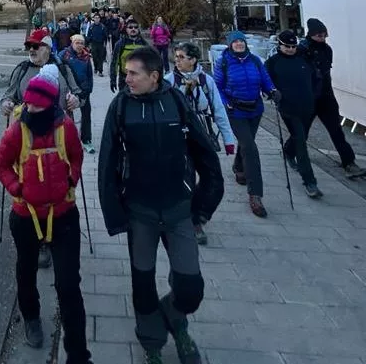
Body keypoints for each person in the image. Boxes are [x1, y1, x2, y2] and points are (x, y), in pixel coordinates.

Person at [98, 47, 224, 364]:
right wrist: (114, 213)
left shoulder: (176, 102)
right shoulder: (120, 106)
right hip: (140, 210)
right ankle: (153, 342)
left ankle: (173, 316)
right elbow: (107, 162)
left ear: (154, 76)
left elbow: (204, 152)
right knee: (143, 283)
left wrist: (204, 204)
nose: (126, 78)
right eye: (125, 72)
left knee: (190, 287)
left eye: (132, 73)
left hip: (178, 207)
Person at [0, 65, 93, 364]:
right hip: (25, 215)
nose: (31, 107)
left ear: (51, 104)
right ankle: (32, 317)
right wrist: (16, 188)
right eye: (29, 102)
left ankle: (77, 353)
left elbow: (76, 155)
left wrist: (72, 179)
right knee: (26, 271)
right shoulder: (17, 130)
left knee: (68, 284)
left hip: (63, 214)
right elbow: (0, 164)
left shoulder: (66, 129)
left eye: (38, 103)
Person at [1, 28, 82, 268]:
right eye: (29, 47)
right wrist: (6, 103)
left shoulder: (64, 69)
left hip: (57, 140)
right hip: (27, 141)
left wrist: (76, 100)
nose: (32, 51)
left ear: (47, 48)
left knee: (56, 186)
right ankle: (39, 240)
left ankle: (56, 233)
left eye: (36, 46)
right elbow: (9, 95)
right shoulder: (22, 70)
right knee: (32, 188)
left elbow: (78, 94)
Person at [164, 42, 235, 245]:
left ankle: (201, 212)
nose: (176, 60)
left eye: (181, 57)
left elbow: (218, 110)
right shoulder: (170, 81)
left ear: (193, 59)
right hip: (179, 136)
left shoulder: (206, 80)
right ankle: (189, 220)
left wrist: (228, 139)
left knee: (213, 179)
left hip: (202, 134)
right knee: (184, 178)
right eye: (175, 57)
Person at [213, 31, 280, 218]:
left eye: (241, 41)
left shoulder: (255, 60)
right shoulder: (224, 62)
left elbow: (265, 79)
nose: (239, 44)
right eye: (235, 42)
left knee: (247, 143)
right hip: (235, 110)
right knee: (250, 147)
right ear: (230, 45)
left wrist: (272, 91)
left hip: (255, 109)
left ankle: (239, 167)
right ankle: (255, 194)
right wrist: (224, 101)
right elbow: (217, 85)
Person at [298, 18, 366, 179]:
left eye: (324, 35)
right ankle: (292, 152)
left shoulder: (327, 50)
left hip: (326, 96)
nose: (322, 38)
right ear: (311, 35)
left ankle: (349, 163)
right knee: (302, 131)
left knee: (336, 131)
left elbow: (325, 73)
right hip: (309, 97)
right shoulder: (302, 50)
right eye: (319, 35)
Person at [265, 30, 323, 199]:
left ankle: (288, 152)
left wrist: (314, 95)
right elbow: (266, 82)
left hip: (307, 106)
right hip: (288, 108)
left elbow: (316, 78)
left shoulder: (303, 60)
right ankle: (309, 181)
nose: (290, 49)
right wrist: (272, 93)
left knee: (301, 136)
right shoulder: (273, 63)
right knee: (300, 141)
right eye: (287, 46)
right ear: (280, 45)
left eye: (293, 46)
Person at [59, 34, 95, 153]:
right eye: (77, 43)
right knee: (68, 115)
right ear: (72, 43)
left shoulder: (86, 56)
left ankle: (86, 139)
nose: (80, 45)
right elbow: (58, 69)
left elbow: (90, 74)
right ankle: (69, 139)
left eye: (82, 43)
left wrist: (89, 88)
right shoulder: (64, 54)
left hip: (83, 90)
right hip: (69, 90)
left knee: (86, 114)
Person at [110, 18, 148, 93]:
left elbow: (150, 63)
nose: (133, 29)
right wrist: (113, 80)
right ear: (126, 29)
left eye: (135, 27)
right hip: (124, 79)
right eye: (130, 27)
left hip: (140, 79)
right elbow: (114, 63)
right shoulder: (120, 44)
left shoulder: (144, 44)